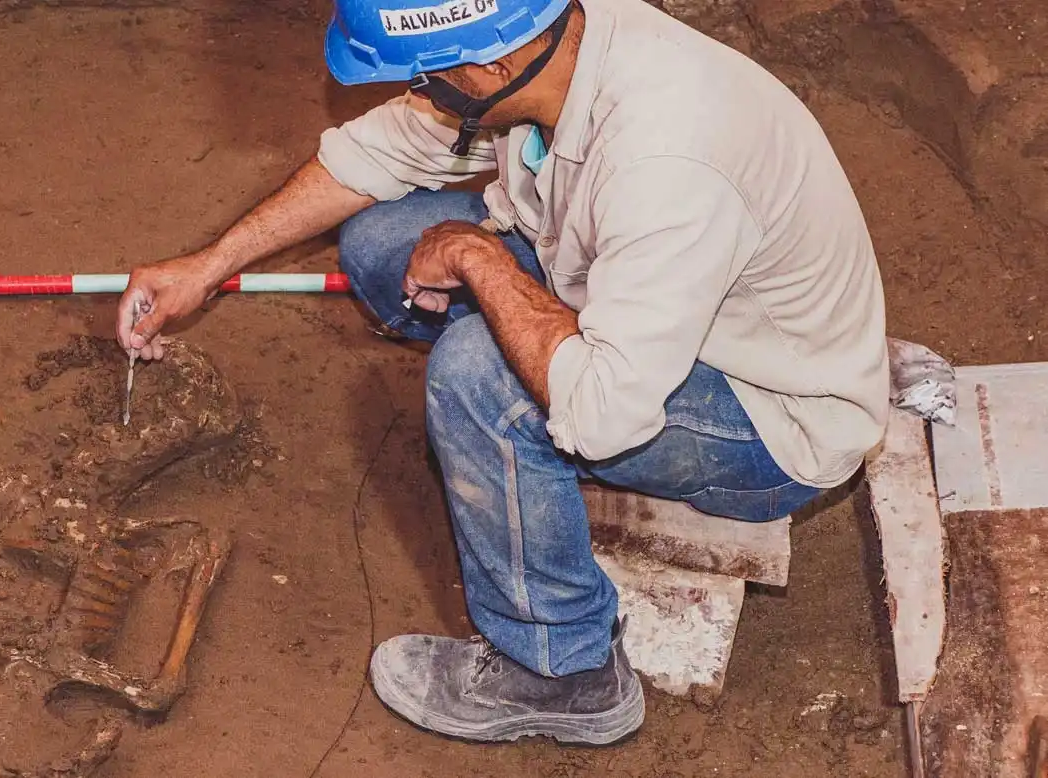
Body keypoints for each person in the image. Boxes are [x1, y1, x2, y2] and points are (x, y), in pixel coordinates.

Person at [115, 0, 888, 748]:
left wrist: (478, 259)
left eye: (425, 77)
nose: (416, 93)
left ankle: (562, 674)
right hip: (631, 300)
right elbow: (375, 154)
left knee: (479, 377)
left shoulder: (666, 162)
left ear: (490, 66)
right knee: (381, 242)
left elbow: (605, 414)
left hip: (766, 411)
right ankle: (503, 430)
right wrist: (208, 265)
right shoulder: (555, 48)